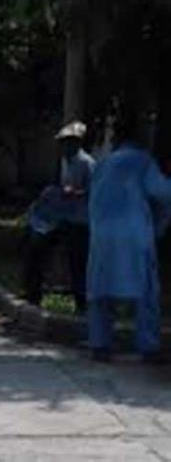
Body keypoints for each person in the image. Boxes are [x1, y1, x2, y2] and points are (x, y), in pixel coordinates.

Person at [86, 112, 171, 363]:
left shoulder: (103, 162)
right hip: (134, 233)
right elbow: (162, 192)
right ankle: (148, 347)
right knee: (146, 292)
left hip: (102, 233)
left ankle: (100, 345)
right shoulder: (143, 161)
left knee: (100, 290)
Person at [23, 121, 95, 310]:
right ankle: (33, 295)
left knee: (77, 263)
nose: (64, 147)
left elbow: (95, 192)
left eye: (68, 142)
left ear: (77, 143)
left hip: (80, 221)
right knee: (36, 249)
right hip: (62, 219)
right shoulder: (66, 163)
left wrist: (75, 193)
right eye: (62, 142)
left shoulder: (87, 163)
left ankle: (82, 304)